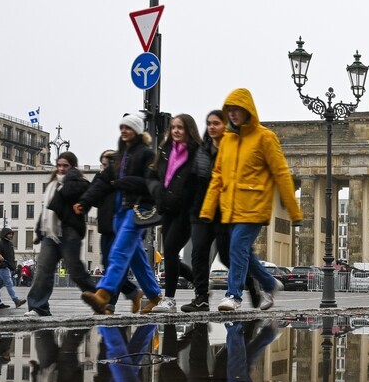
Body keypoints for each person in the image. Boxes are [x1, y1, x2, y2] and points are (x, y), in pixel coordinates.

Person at [200, 89, 303, 311]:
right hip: (231, 207)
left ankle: (233, 295)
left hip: (254, 206)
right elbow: (218, 176)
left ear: (248, 110)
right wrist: (208, 209)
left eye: (237, 109)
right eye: (229, 110)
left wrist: (294, 211)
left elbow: (281, 173)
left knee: (237, 246)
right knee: (242, 252)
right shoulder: (227, 140)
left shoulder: (265, 137)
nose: (232, 114)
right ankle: (269, 283)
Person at [78, 113, 164, 314]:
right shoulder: (121, 157)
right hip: (120, 213)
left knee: (118, 253)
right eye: (122, 127)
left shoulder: (146, 154)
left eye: (128, 127)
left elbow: (150, 183)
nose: (124, 131)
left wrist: (121, 182)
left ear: (137, 131)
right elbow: (101, 181)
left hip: (137, 211)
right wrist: (85, 201)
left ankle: (104, 294)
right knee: (136, 259)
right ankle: (154, 295)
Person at [184, 110, 261, 312]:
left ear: (225, 126)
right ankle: (201, 297)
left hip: (224, 212)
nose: (212, 127)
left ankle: (250, 283)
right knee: (199, 253)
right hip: (201, 210)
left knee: (227, 256)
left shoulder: (234, 149)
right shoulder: (201, 151)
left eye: (216, 123)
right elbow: (191, 181)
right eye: (209, 123)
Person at [24, 152, 97, 317]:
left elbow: (71, 193)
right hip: (50, 233)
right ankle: (38, 307)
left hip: (70, 231)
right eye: (59, 165)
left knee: (75, 270)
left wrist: (71, 176)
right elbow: (46, 211)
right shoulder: (52, 185)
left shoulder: (79, 183)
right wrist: (39, 231)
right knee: (43, 270)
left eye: (66, 166)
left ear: (73, 167)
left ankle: (99, 299)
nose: (61, 169)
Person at [145, 114, 201, 312]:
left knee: (169, 249)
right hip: (167, 208)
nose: (176, 131)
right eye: (173, 127)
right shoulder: (166, 150)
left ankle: (169, 299)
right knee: (171, 254)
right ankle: (201, 286)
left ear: (189, 130)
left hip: (186, 211)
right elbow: (153, 174)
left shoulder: (196, 152)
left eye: (180, 127)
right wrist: (156, 191)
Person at [92, 149, 142, 313]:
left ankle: (109, 303)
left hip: (120, 228)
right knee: (109, 267)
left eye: (107, 165)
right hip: (106, 228)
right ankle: (132, 292)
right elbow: (93, 198)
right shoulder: (101, 179)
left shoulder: (123, 179)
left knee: (115, 267)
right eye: (102, 165)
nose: (104, 168)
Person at [0, 228, 26, 309]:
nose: (11, 235)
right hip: (3, 267)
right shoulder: (0, 244)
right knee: (9, 283)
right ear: (5, 234)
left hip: (8, 266)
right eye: (9, 234)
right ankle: (16, 300)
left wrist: (12, 266)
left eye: (11, 234)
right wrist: (3, 264)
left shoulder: (10, 244)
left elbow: (11, 257)